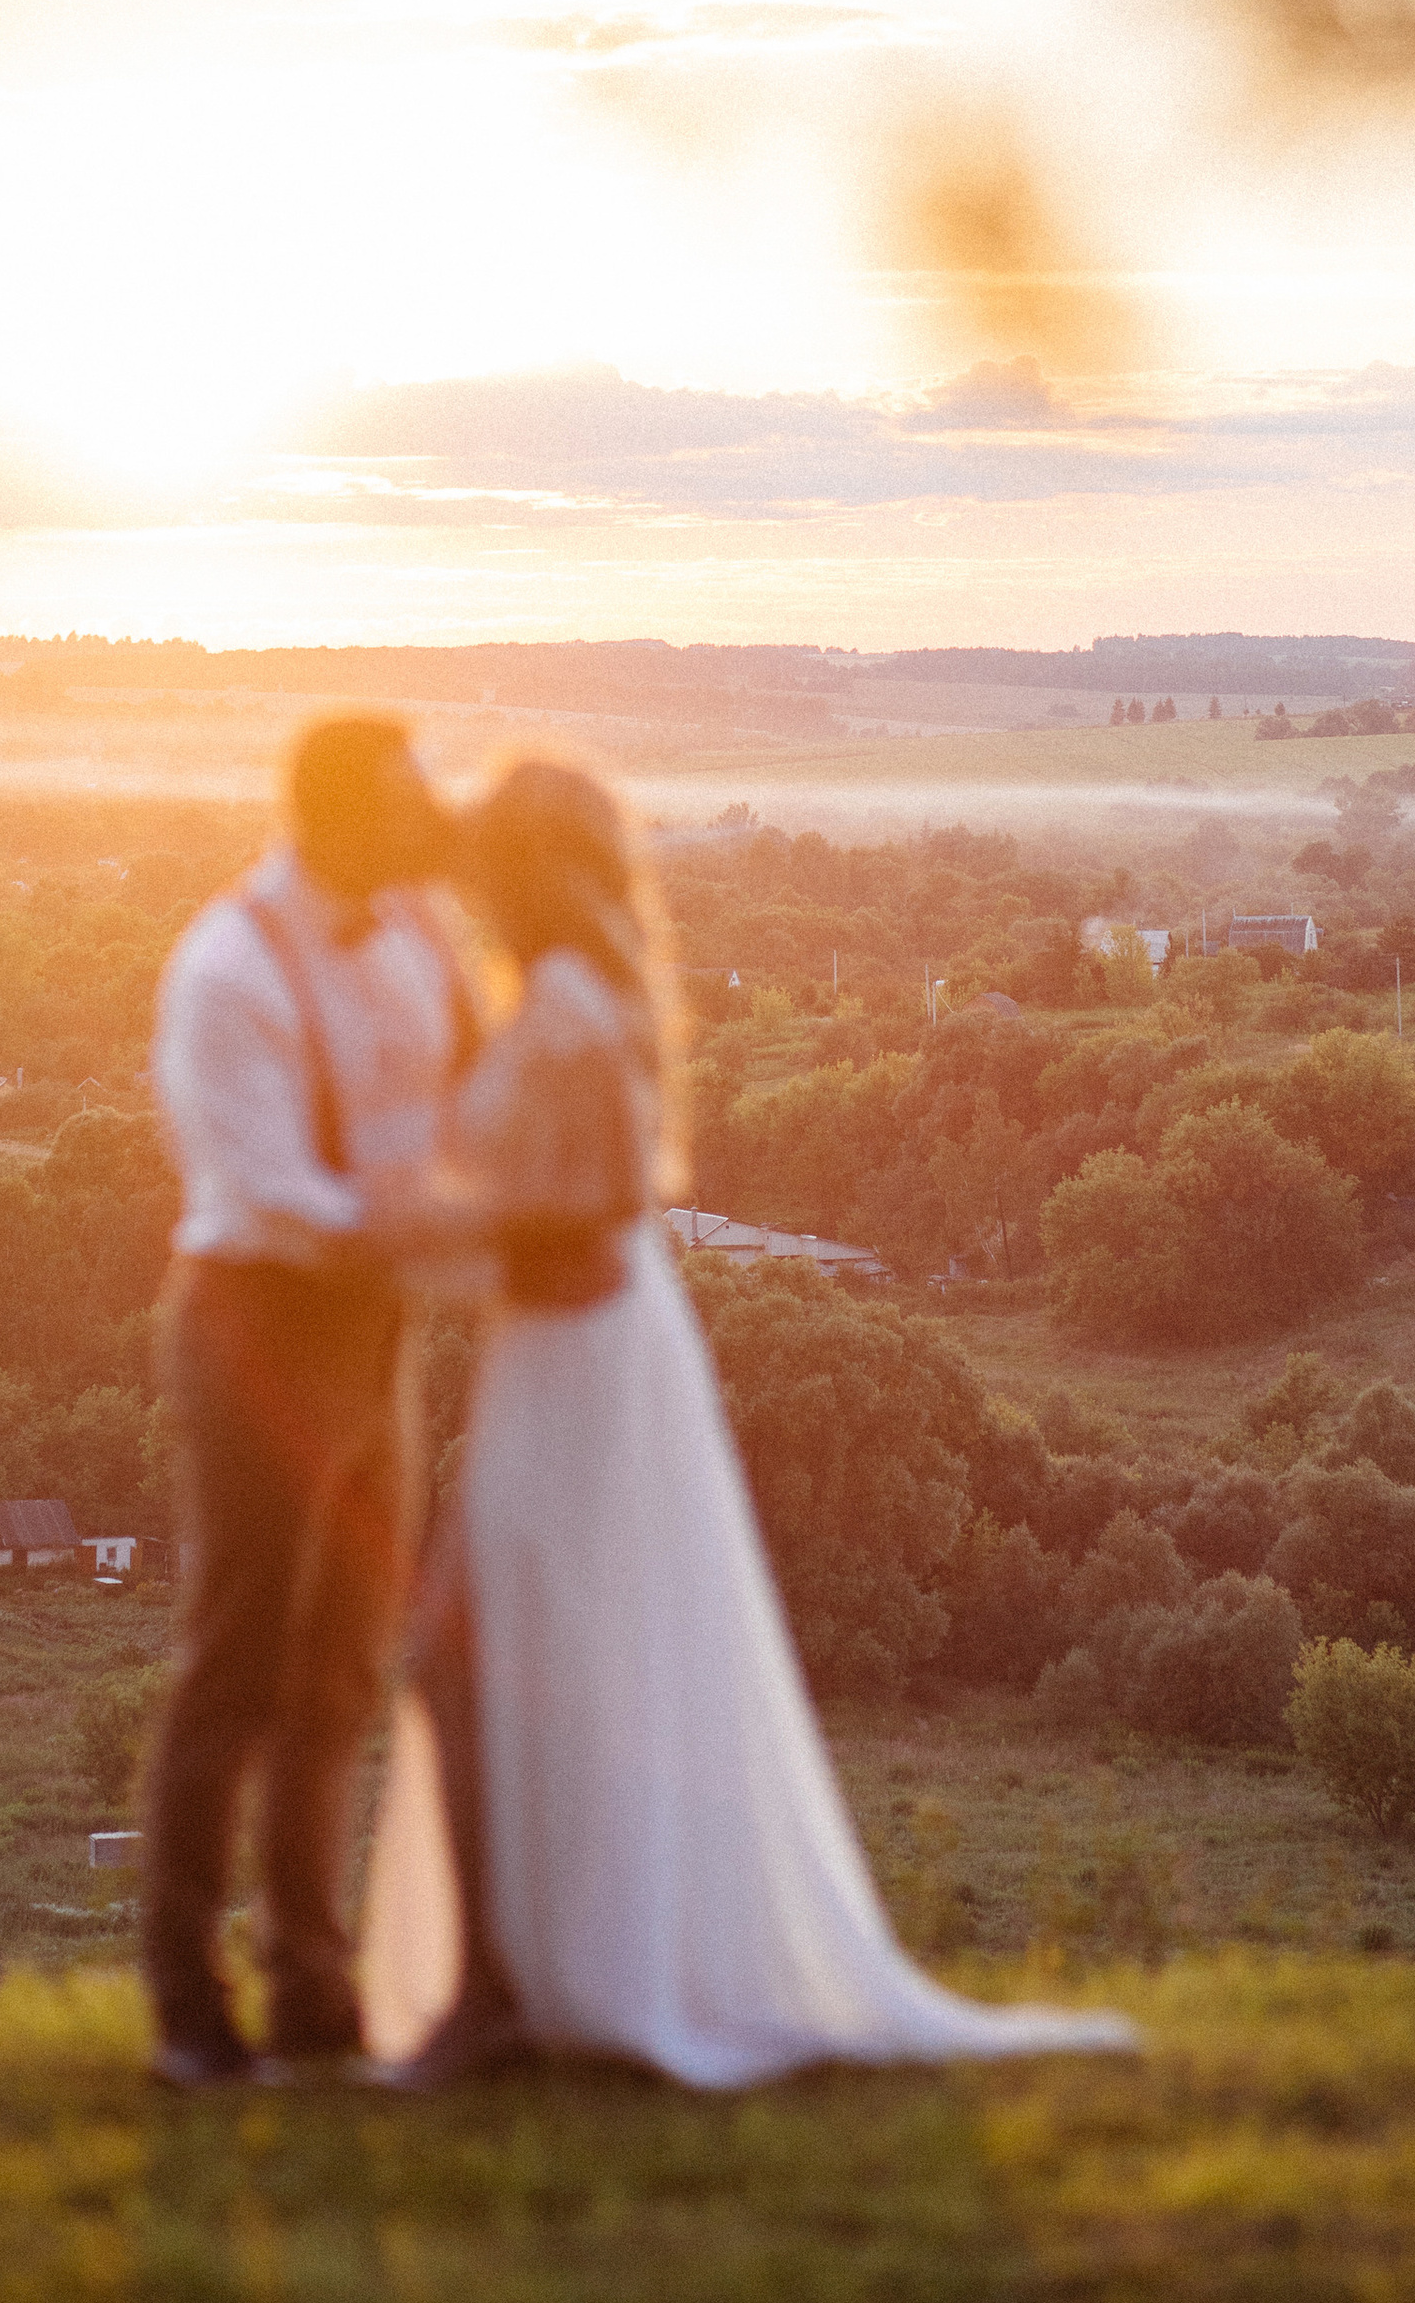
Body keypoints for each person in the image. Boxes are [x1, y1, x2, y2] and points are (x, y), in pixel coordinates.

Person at [365, 756, 1137, 2089]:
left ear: (530, 871)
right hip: (565, 1356)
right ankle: (525, 1985)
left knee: (470, 1654)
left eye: (489, 858)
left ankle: (507, 1995)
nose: (472, 881)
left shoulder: (565, 1008)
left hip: (580, 1358)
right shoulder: (566, 995)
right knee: (511, 1660)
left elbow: (590, 1228)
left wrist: (412, 1233)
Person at [139, 711, 478, 2089]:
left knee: (342, 1661)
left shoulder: (411, 928)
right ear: (339, 815)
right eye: (406, 805)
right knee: (237, 1662)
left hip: (373, 1323)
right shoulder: (228, 969)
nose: (428, 825)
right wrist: (468, 1235)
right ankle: (187, 2007)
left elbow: (451, 1095)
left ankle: (315, 1989)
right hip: (259, 1319)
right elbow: (278, 1190)